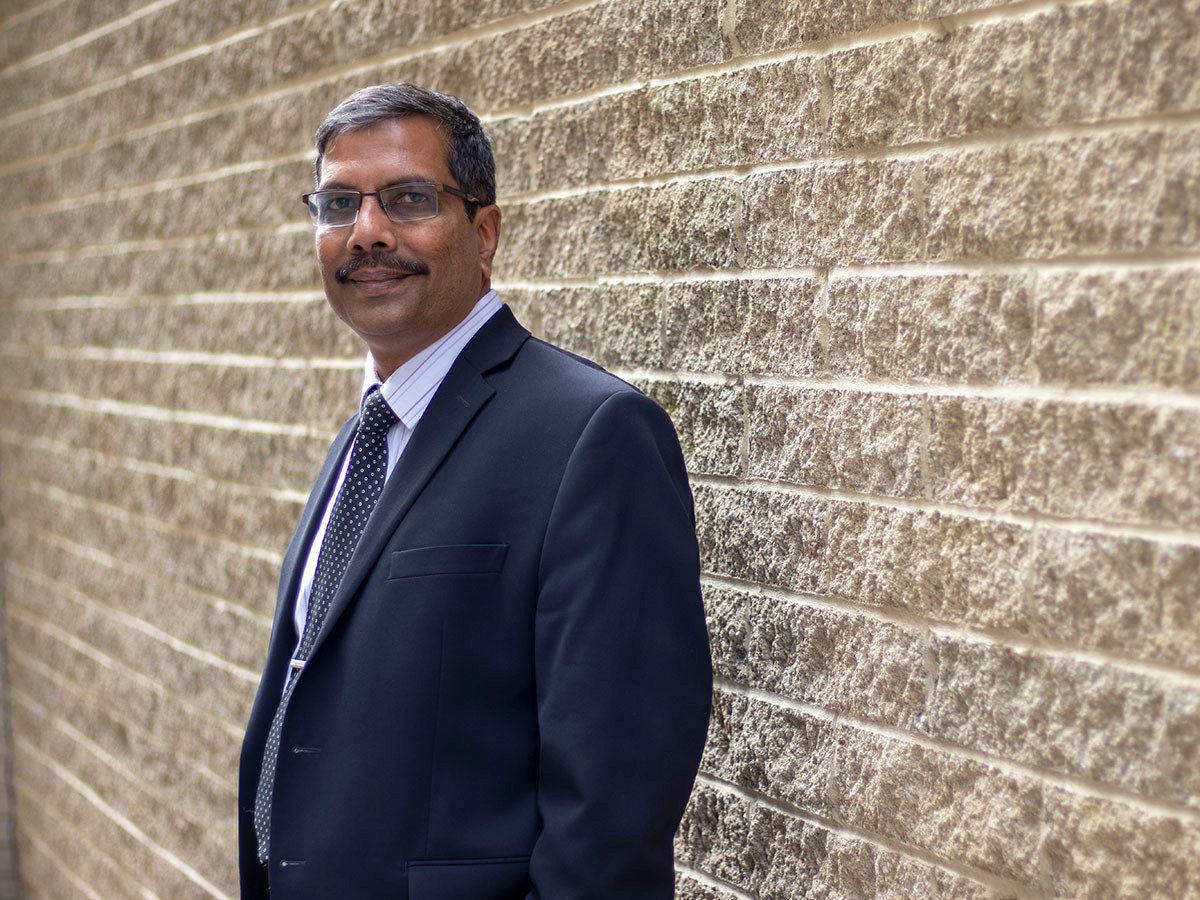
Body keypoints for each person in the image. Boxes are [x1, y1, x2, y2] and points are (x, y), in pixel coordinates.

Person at [237, 83, 712, 900]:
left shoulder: (591, 437)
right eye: (339, 203)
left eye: (409, 199)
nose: (367, 231)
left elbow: (609, 823)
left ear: (484, 233)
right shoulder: (364, 436)